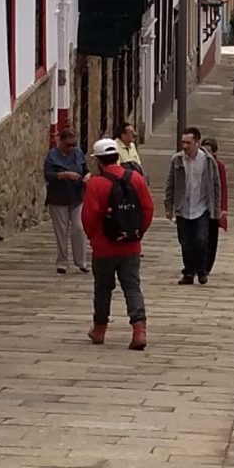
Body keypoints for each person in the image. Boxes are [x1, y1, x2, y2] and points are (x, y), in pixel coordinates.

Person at [80, 140, 155, 349]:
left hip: (104, 246)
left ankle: (99, 330)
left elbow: (89, 217)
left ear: (99, 161)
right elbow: (148, 208)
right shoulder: (136, 178)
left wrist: (94, 238)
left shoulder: (96, 184)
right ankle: (139, 331)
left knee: (103, 289)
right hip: (131, 245)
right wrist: (138, 233)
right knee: (132, 287)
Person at [166, 127, 228, 285]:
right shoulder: (177, 160)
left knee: (201, 239)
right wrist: (169, 207)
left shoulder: (208, 161)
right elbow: (170, 184)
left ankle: (201, 270)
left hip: (202, 207)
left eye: (188, 143)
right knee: (185, 242)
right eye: (183, 142)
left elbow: (216, 185)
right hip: (183, 207)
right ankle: (189, 272)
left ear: (197, 142)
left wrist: (216, 208)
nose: (185, 146)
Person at [42, 128, 90, 274]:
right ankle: (62, 262)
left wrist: (87, 176)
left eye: (73, 144)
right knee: (61, 231)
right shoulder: (52, 156)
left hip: (76, 196)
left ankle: (81, 261)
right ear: (61, 142)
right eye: (68, 145)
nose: (71, 148)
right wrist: (64, 175)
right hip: (58, 198)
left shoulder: (78, 153)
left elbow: (86, 170)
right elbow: (48, 175)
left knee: (79, 228)